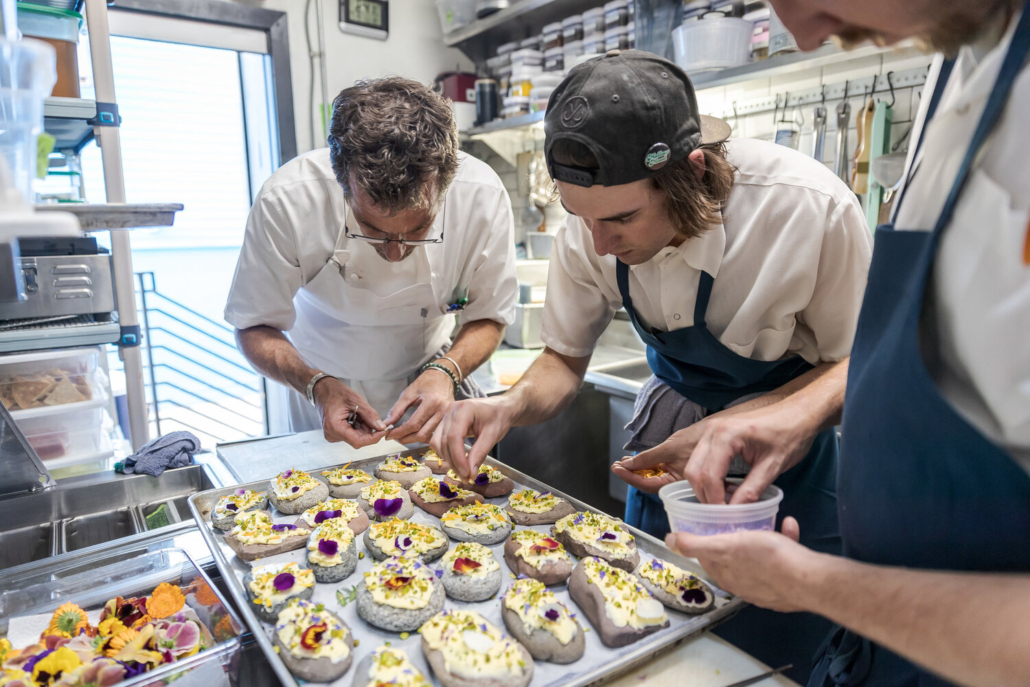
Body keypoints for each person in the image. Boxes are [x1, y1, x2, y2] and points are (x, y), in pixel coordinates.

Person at [432, 50, 873, 682]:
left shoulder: (804, 211)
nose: (599, 244)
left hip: (787, 477)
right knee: (659, 648)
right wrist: (508, 403)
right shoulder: (591, 229)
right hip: (669, 463)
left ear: (691, 172)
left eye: (621, 218)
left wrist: (747, 419)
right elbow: (561, 360)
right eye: (580, 218)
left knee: (772, 658)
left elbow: (858, 364)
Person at [659, 0, 1030, 684]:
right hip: (880, 652)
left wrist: (813, 583)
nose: (801, 32)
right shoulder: (961, 55)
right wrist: (795, 416)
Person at [225, 77, 517, 448]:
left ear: (445, 182)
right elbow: (253, 324)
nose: (396, 252)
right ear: (342, 182)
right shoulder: (288, 201)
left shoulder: (482, 198)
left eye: (419, 229)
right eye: (372, 230)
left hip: (430, 384)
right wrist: (316, 386)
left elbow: (490, 315)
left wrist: (447, 371)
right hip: (319, 387)